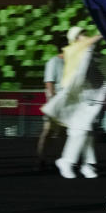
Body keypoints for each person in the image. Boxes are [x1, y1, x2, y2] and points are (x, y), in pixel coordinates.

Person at [41, 26, 106, 179]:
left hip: (86, 97)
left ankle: (87, 164)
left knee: (86, 130)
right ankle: (68, 161)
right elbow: (94, 41)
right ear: (74, 40)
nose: (84, 36)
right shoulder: (74, 50)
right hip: (73, 97)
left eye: (84, 34)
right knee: (81, 129)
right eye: (81, 35)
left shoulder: (85, 51)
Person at [36, 39, 65, 172]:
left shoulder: (70, 63)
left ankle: (60, 160)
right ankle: (42, 159)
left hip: (67, 103)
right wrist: (54, 102)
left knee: (63, 134)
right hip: (56, 103)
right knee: (48, 131)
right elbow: (49, 83)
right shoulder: (54, 62)